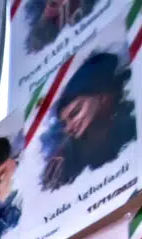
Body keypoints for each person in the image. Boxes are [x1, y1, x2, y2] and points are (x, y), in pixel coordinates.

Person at [42, 52, 136, 190]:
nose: (68, 127)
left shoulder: (129, 128)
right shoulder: (68, 158)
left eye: (75, 112)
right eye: (64, 123)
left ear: (103, 97)